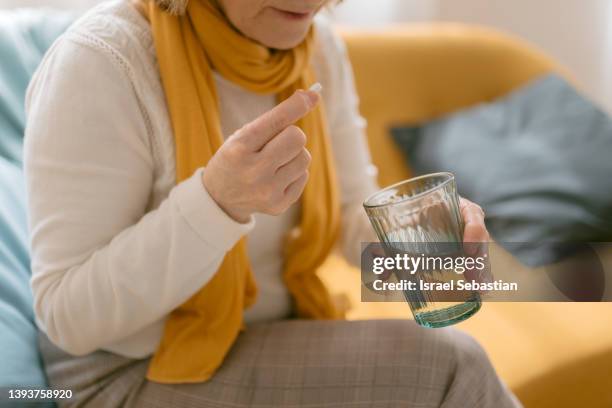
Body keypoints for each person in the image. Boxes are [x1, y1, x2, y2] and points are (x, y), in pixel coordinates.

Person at [24, 0, 521, 406]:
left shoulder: (315, 47)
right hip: (124, 371)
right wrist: (216, 203)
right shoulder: (101, 61)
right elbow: (69, 318)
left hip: (259, 336)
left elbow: (351, 219)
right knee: (454, 366)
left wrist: (428, 253)